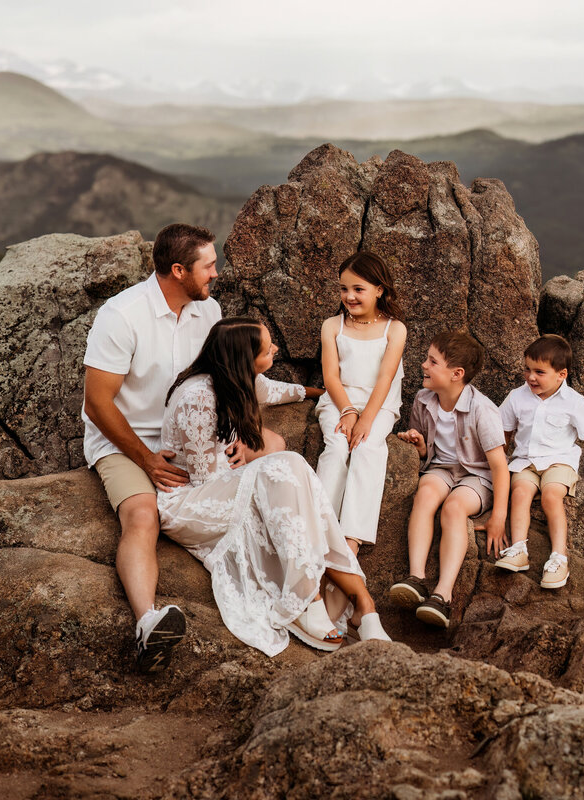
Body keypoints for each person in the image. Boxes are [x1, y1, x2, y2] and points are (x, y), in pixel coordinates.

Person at [158, 317, 390, 657]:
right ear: (246, 359)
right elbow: (204, 480)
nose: (276, 350)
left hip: (231, 484)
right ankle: (307, 600)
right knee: (286, 471)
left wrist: (321, 395)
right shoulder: (198, 399)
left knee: (293, 481)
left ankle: (365, 605)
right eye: (268, 349)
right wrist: (260, 458)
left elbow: (284, 391)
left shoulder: (240, 380)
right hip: (192, 502)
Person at [82, 223, 222, 672]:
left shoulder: (210, 312)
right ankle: (147, 622)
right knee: (143, 514)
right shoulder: (121, 316)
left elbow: (223, 383)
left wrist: (238, 439)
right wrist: (145, 460)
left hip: (188, 437)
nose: (216, 274)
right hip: (124, 441)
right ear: (178, 270)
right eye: (209, 266)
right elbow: (97, 403)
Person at [390, 331, 509, 628]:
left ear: (457, 374)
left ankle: (443, 595)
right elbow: (424, 451)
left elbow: (499, 467)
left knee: (454, 508)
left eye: (433, 361)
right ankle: (416, 577)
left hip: (476, 475)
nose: (424, 366)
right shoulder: (423, 399)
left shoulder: (482, 410)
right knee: (426, 493)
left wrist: (499, 515)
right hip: (440, 468)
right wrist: (417, 443)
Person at [495, 334, 584, 589]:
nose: (530, 377)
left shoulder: (574, 403)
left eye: (539, 372)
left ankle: (559, 557)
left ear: (561, 374)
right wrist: (499, 459)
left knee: (551, 496)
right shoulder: (516, 397)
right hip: (525, 461)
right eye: (527, 369)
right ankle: (519, 548)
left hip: (559, 461)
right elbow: (504, 432)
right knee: (520, 492)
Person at [315, 251, 407, 553]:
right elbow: (330, 377)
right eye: (344, 289)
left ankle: (351, 536)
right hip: (339, 401)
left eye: (358, 289)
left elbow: (385, 379)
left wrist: (366, 418)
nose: (349, 296)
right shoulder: (332, 326)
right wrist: (348, 411)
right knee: (338, 444)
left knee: (367, 448)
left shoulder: (395, 329)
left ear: (379, 290)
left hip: (379, 405)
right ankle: (319, 524)